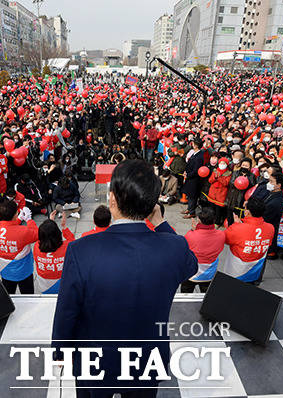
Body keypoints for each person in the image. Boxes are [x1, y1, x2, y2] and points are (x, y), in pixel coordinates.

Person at [51, 159, 198, 396]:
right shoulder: (175, 247)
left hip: (95, 359)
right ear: (153, 205)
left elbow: (67, 310)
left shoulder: (82, 250)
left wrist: (60, 352)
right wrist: (160, 223)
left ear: (112, 199)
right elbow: (191, 266)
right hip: (147, 359)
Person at [0, 200, 38, 294]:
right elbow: (36, 234)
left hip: (5, 270)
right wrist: (29, 220)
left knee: (9, 295)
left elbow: (8, 228)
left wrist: (18, 219)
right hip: (24, 271)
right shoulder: (23, 231)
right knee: (28, 297)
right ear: (16, 214)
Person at [223, 198, 275, 282]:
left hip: (236, 271)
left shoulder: (238, 228)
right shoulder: (270, 228)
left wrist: (236, 225)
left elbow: (225, 239)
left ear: (247, 212)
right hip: (255, 270)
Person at [182, 207, 224, 292]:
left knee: (186, 294)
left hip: (191, 272)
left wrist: (192, 230)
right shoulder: (221, 235)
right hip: (209, 273)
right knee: (205, 296)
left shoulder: (190, 235)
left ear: (199, 220)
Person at [34, 210, 75, 293]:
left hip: (44, 286)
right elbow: (73, 241)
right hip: (63, 286)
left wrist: (50, 223)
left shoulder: (37, 247)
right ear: (57, 234)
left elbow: (46, 238)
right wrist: (64, 226)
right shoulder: (67, 247)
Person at [262, 171, 283, 259]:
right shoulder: (272, 193)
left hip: (269, 226)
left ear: (279, 185)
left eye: (271, 182)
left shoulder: (276, 201)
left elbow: (266, 216)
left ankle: (271, 252)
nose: (269, 183)